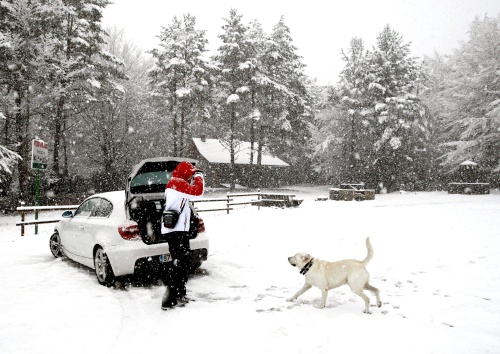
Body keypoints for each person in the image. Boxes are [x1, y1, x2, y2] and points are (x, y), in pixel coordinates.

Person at [161, 161, 204, 310]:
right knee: (178, 264)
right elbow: (198, 192)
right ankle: (169, 299)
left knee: (183, 264)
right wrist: (199, 176)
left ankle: (179, 293)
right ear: (185, 173)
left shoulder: (178, 183)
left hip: (179, 232)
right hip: (175, 232)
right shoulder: (175, 182)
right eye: (191, 173)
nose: (193, 176)